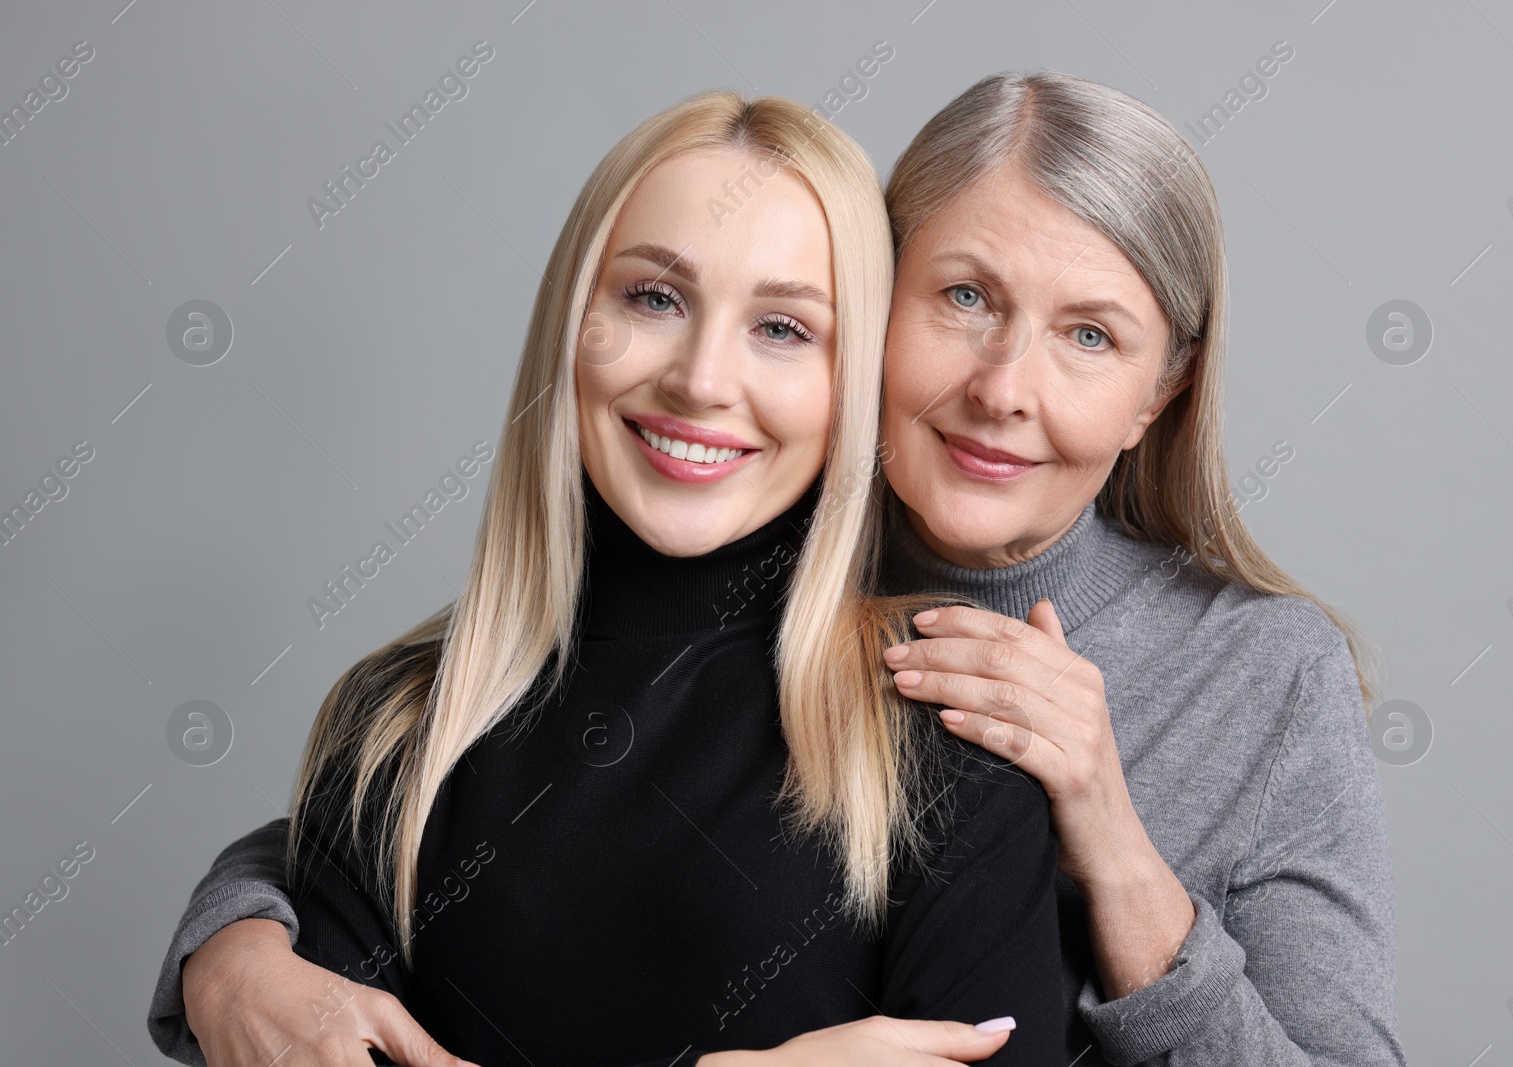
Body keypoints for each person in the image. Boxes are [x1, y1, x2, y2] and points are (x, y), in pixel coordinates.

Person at [151, 72, 1406, 1065]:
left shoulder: (1254, 675)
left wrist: (1112, 841)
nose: (1002, 391)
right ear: (872, 309)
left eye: (1090, 334)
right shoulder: (704, 542)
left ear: (1160, 390)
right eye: (962, 297)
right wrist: (233, 944)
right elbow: (432, 781)